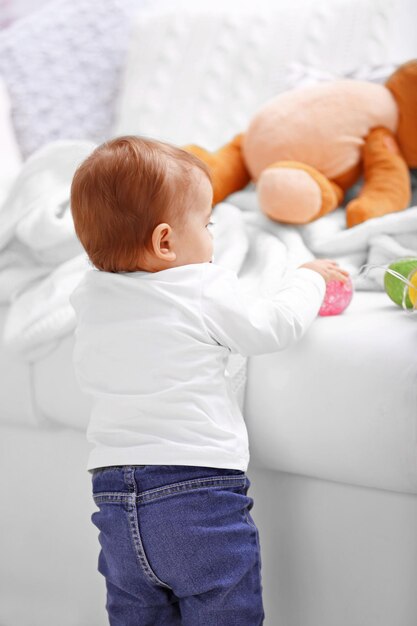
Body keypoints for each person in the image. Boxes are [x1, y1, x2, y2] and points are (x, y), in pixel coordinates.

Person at [69, 135, 350, 626]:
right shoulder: (199, 285)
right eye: (207, 223)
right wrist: (309, 279)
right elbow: (269, 326)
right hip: (194, 493)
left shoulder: (90, 296)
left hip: (113, 497)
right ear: (165, 242)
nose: (212, 237)